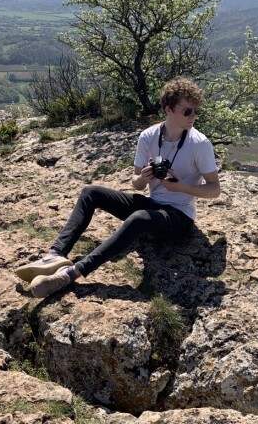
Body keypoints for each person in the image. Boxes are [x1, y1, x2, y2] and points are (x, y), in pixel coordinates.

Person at [15, 77, 221, 298]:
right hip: (153, 205)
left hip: (179, 216)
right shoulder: (149, 136)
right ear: (169, 109)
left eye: (195, 111)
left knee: (139, 218)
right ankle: (55, 254)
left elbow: (214, 189)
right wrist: (143, 178)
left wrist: (181, 187)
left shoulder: (199, 143)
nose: (194, 117)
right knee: (91, 193)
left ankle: (69, 275)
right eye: (188, 111)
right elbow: (136, 183)